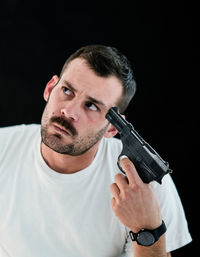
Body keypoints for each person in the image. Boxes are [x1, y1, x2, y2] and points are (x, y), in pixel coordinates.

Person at [0, 45, 191, 257]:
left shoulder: (144, 184)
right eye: (67, 91)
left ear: (112, 128)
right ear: (49, 88)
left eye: (91, 105)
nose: (69, 111)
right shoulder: (3, 147)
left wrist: (147, 229)